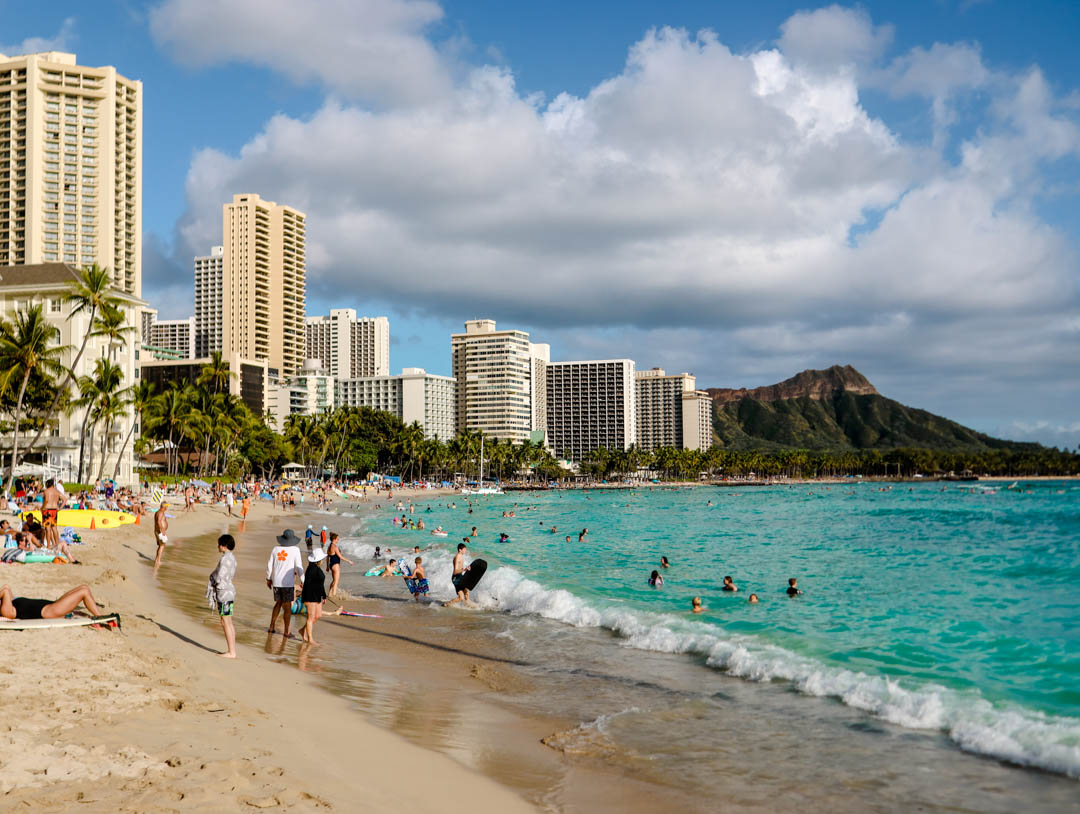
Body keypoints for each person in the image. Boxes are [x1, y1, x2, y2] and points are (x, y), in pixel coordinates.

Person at [266, 529, 305, 638]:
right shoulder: (295, 550)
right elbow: (299, 566)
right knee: (287, 607)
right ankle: (287, 632)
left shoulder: (275, 549)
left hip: (276, 582)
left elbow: (269, 565)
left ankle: (271, 626)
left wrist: (268, 579)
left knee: (278, 603)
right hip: (287, 583)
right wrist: (303, 580)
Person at [0, 583, 104, 620]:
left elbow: (6, 587)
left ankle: (96, 611)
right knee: (84, 592)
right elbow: (5, 591)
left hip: (51, 604)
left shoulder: (9, 603)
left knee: (84, 587)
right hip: (49, 611)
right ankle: (100, 617)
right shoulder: (7, 612)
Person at [207, 534, 238, 658]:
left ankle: (231, 652)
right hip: (230, 591)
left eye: (219, 544)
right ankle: (232, 650)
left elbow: (220, 576)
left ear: (224, 546)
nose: (217, 546)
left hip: (224, 592)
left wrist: (214, 582)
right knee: (228, 621)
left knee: (225, 621)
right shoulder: (233, 558)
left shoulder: (225, 559)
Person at [301, 548, 328, 644]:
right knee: (311, 617)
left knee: (318, 615)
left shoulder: (316, 568)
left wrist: (324, 596)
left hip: (317, 595)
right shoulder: (311, 569)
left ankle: (302, 630)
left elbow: (320, 584)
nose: (323, 560)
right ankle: (310, 639)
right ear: (318, 560)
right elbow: (307, 583)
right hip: (310, 595)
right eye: (322, 559)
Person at [326, 532, 353, 597]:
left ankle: (329, 593)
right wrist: (349, 561)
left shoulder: (329, 546)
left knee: (333, 580)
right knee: (336, 581)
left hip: (331, 565)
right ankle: (334, 595)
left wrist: (327, 566)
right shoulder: (335, 547)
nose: (338, 540)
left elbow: (327, 557)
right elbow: (340, 556)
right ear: (334, 539)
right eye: (337, 539)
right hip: (336, 565)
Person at [41, 479, 61, 550]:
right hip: (54, 510)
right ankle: (57, 544)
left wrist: (42, 508)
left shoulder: (46, 491)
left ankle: (48, 545)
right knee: (54, 528)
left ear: (47, 484)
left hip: (47, 510)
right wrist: (60, 508)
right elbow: (64, 500)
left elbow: (46, 500)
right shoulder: (57, 491)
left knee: (48, 528)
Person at [152, 500, 169, 575]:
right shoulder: (160, 513)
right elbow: (158, 522)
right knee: (162, 545)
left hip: (158, 531)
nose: (167, 508)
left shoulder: (158, 512)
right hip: (159, 531)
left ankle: (157, 559)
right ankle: (158, 561)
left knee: (160, 545)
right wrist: (162, 530)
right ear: (164, 507)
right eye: (167, 506)